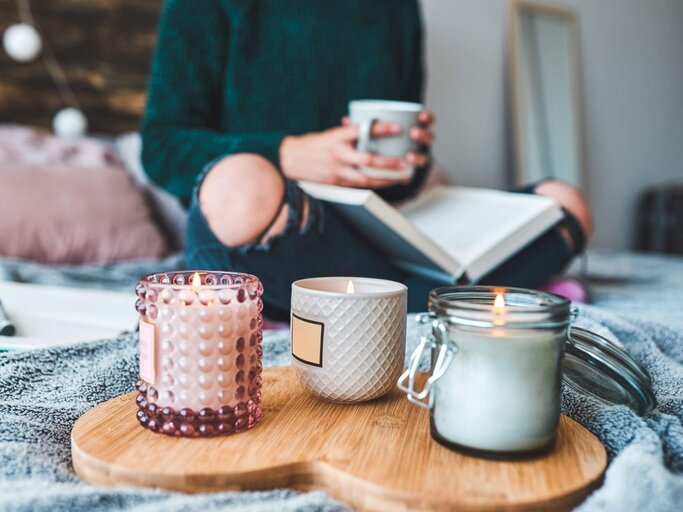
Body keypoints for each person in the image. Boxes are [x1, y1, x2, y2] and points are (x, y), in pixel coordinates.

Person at [142, 0, 592, 321]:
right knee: (241, 184)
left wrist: (409, 161)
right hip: (284, 229)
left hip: (372, 229)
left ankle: (397, 299)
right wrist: (289, 154)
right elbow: (160, 147)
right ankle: (449, 299)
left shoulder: (395, 8)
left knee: (564, 202)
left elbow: (403, 182)